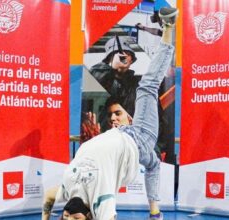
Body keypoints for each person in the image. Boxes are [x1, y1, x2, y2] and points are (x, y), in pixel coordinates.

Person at [42, 7, 178, 220]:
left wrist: (45, 217)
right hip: (137, 143)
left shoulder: (67, 188)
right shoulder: (101, 199)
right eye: (75, 219)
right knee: (149, 87)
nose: (68, 216)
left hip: (125, 133)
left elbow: (49, 197)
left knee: (153, 161)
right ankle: (169, 26)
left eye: (66, 216)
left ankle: (156, 213)